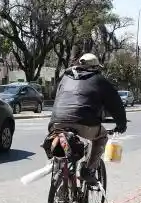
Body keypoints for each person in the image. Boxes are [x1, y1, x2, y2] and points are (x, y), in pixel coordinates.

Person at [48, 53, 127, 184]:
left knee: (61, 145)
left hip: (56, 122)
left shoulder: (65, 78)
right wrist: (121, 124)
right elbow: (116, 104)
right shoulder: (99, 80)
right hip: (83, 123)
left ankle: (60, 178)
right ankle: (88, 171)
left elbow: (54, 95)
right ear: (95, 67)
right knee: (101, 136)